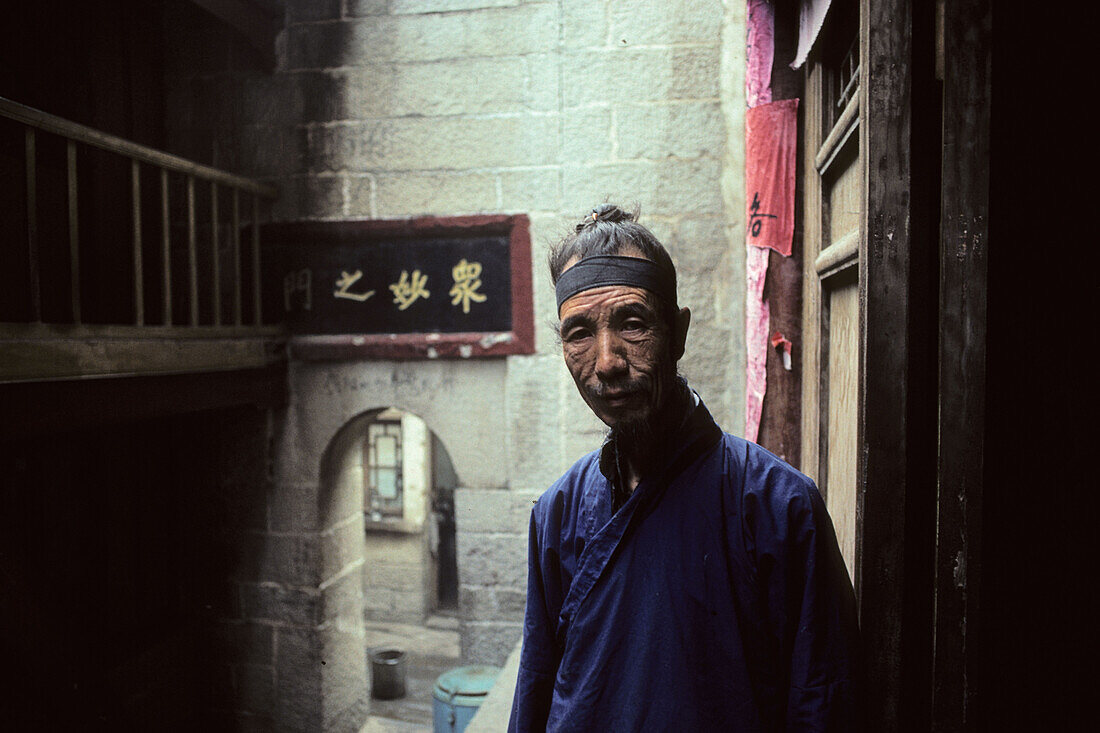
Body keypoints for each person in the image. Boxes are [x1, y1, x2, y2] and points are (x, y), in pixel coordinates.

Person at [509, 204, 859, 731]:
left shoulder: (776, 505)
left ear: (678, 332)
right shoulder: (557, 512)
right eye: (578, 333)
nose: (606, 361)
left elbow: (823, 704)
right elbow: (536, 690)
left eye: (632, 324)